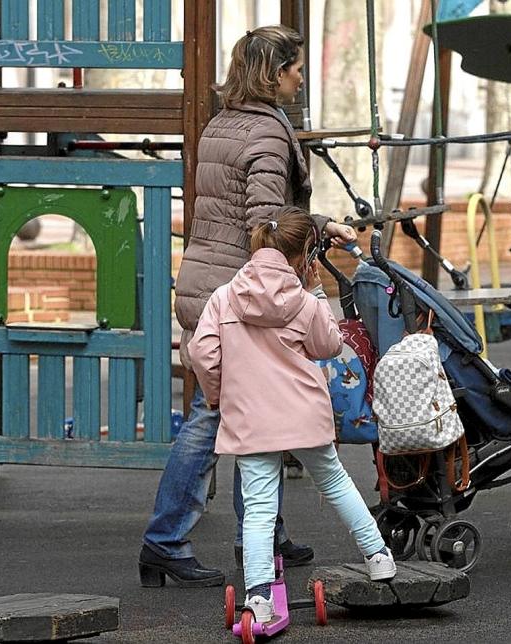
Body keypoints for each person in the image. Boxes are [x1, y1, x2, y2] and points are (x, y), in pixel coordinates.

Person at [138, 24, 357, 588]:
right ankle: (166, 539)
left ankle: (259, 532)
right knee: (213, 417)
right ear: (274, 73)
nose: (301, 77)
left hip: (205, 278)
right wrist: (323, 227)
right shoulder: (265, 134)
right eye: (296, 68)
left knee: (251, 408)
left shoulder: (221, 123)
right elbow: (265, 223)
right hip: (238, 291)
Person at [189, 208, 396, 622]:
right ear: (302, 254)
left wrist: (216, 396)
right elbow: (331, 345)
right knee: (336, 482)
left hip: (250, 419)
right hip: (303, 415)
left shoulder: (224, 297)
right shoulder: (303, 302)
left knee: (259, 505)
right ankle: (378, 557)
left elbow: (203, 353)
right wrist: (319, 296)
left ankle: (260, 596)